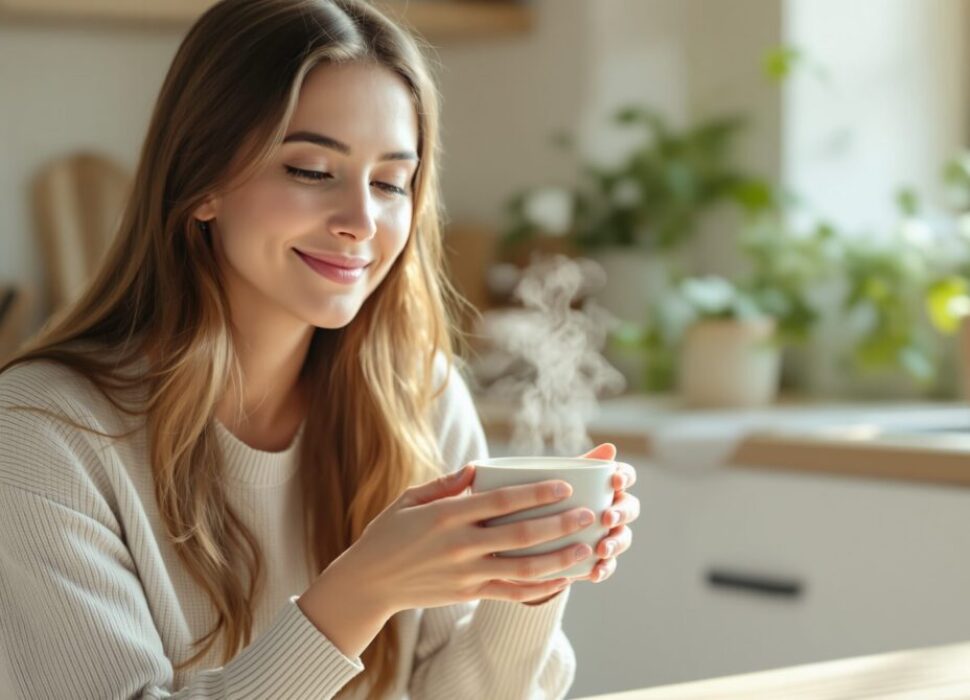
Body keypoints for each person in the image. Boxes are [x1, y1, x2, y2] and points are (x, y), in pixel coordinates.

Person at [0, 0, 639, 698]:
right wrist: (363, 589)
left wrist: (527, 581)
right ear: (202, 181)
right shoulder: (41, 433)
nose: (361, 221)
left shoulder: (415, 395)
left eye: (392, 182)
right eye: (311, 170)